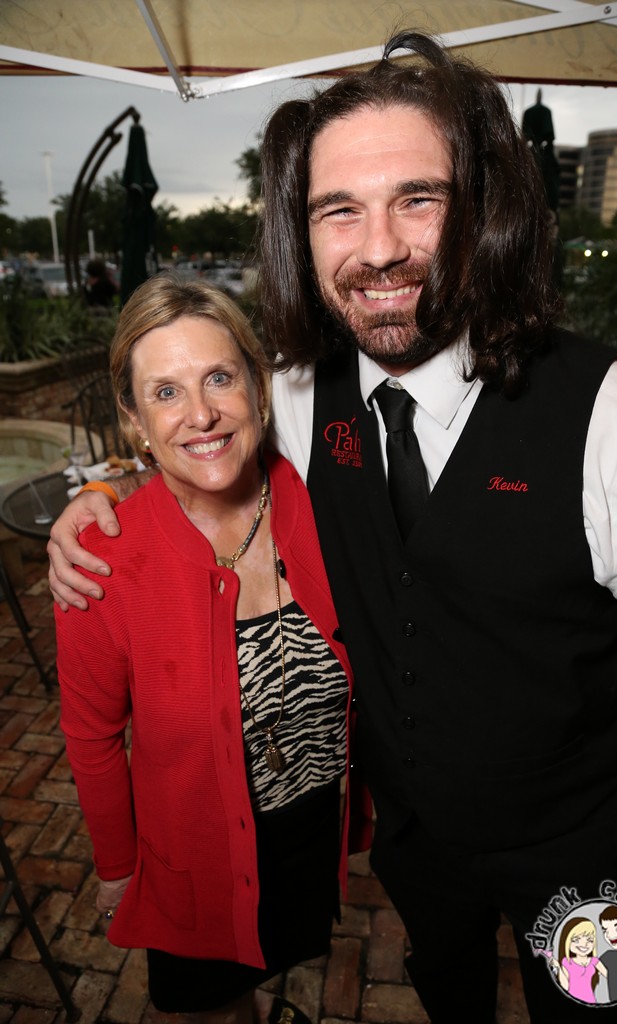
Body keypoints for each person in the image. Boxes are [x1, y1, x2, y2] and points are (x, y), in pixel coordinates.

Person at [48, 31, 617, 1024]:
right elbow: (203, 442)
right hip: (416, 845)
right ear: (301, 234)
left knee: (604, 1014)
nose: (377, 247)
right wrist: (104, 495)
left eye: (417, 199)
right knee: (448, 994)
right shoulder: (304, 393)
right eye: (338, 209)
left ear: (483, 210)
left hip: (579, 858)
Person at [54, 274, 365, 1024]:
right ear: (134, 419)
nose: (200, 413)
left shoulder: (322, 497)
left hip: (310, 832)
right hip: (196, 857)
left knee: (281, 963)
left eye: (219, 378)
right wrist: (117, 866)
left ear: (257, 385)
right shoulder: (101, 561)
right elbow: (92, 738)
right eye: (165, 392)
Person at [551, 917, 607, 1003]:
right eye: (576, 940)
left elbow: (610, 976)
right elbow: (565, 987)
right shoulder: (567, 962)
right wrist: (558, 967)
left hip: (590, 1001)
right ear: (567, 941)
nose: (584, 944)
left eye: (590, 940)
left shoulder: (594, 961)